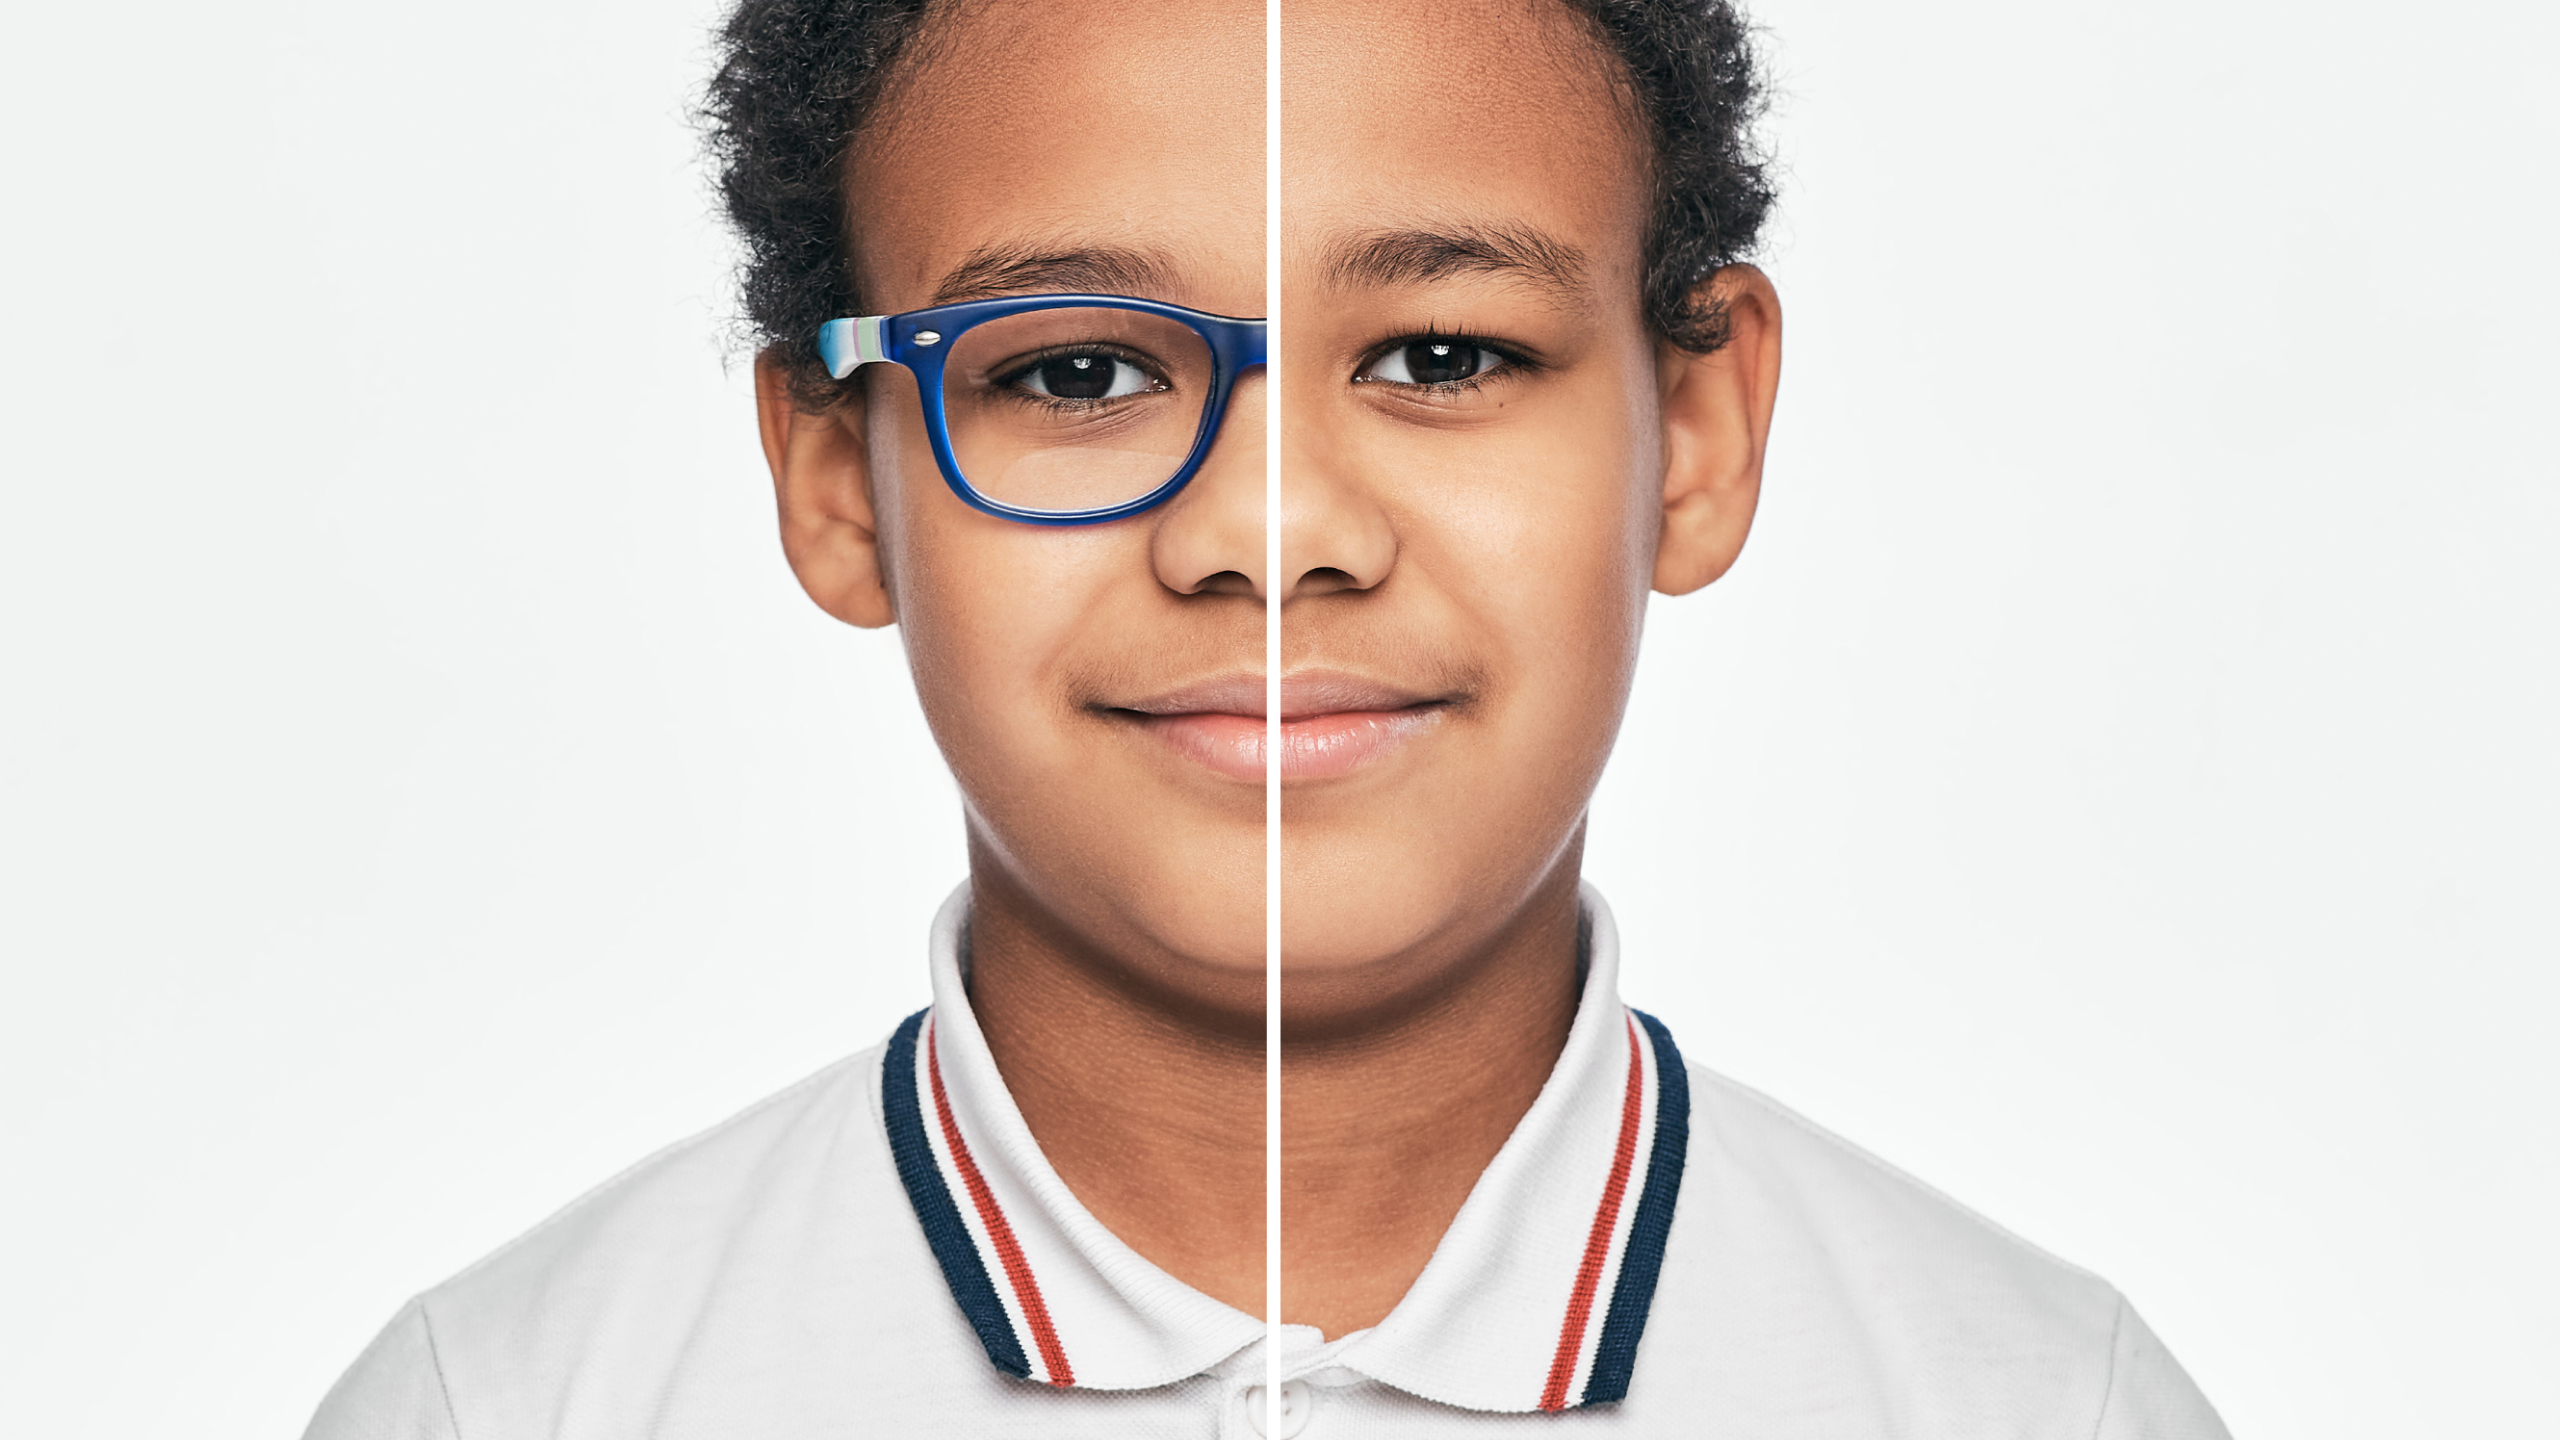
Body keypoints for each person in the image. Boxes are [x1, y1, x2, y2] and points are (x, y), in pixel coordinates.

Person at [303, 0, 2231, 1436]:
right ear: (834, 475)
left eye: (1443, 353)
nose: (1271, 528)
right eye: (1075, 370)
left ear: (1700, 436)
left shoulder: (2051, 1406)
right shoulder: (513, 1407)